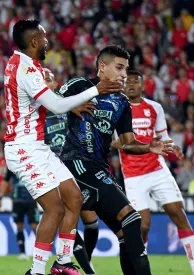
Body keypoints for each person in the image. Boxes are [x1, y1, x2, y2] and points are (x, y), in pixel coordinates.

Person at [3, 19, 123, 275]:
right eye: (44, 38)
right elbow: (55, 106)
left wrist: (69, 103)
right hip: (24, 149)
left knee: (75, 198)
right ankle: (36, 271)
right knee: (55, 209)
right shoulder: (27, 70)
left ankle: (63, 263)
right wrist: (95, 90)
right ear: (34, 42)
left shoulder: (20, 63)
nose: (48, 42)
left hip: (36, 147)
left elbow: (44, 102)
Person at [58, 45, 172, 275]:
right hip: (76, 164)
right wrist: (73, 104)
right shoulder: (80, 85)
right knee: (131, 216)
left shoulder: (121, 103)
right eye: (119, 68)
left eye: (126, 69)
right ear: (102, 66)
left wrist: (149, 146)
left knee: (125, 233)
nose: (124, 74)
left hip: (100, 169)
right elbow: (49, 103)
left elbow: (128, 142)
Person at [113, 69, 194, 273]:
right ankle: (142, 267)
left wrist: (171, 146)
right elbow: (112, 142)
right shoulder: (117, 109)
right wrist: (135, 144)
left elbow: (163, 136)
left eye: (135, 81)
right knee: (143, 226)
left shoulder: (154, 107)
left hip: (158, 171)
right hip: (133, 176)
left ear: (142, 85)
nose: (131, 84)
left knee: (179, 215)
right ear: (123, 86)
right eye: (127, 81)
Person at [42, 68, 97, 275]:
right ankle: (84, 269)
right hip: (51, 168)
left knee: (91, 223)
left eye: (49, 79)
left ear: (55, 84)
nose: (45, 82)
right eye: (41, 79)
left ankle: (86, 260)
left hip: (75, 165)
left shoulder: (67, 102)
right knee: (66, 215)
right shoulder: (37, 105)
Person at [0, 167, 39, 260]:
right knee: (19, 226)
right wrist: (0, 198)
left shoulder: (33, 162)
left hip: (31, 199)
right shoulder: (11, 164)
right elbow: (5, 181)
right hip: (17, 200)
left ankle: (41, 251)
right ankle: (22, 253)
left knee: (34, 226)